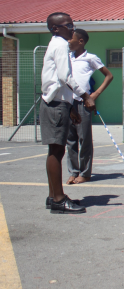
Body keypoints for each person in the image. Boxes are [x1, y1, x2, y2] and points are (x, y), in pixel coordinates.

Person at [42, 12, 95, 214]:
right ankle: (58, 199)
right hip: (55, 104)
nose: (72, 28)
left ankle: (52, 195)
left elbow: (57, 79)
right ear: (56, 28)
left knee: (56, 150)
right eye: (68, 25)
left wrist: (72, 106)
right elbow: (65, 76)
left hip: (60, 101)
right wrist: (85, 96)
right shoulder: (60, 44)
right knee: (56, 150)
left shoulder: (57, 44)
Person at [66, 28, 113, 184]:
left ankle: (85, 173)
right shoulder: (67, 57)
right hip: (67, 103)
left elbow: (109, 75)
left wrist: (95, 94)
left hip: (82, 103)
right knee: (70, 139)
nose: (68, 41)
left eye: (70, 38)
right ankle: (73, 171)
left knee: (84, 139)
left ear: (80, 41)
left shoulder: (90, 58)